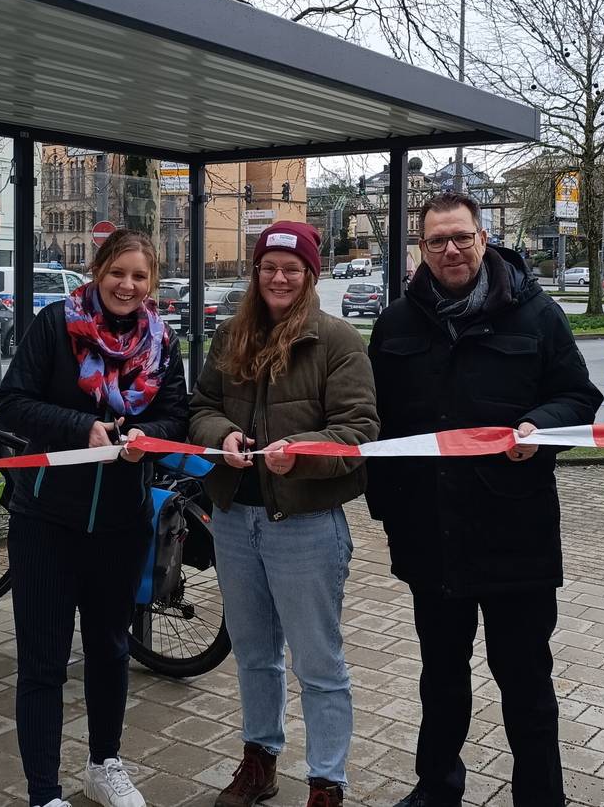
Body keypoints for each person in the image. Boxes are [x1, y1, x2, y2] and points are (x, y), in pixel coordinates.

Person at [367, 192, 602, 807]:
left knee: (525, 682)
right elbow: (378, 426)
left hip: (514, 535)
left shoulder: (536, 314)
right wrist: (388, 514)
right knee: (440, 679)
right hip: (431, 537)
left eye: (461, 237)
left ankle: (540, 797)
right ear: (421, 248)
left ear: (484, 238)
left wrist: (539, 426)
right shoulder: (396, 323)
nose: (450, 250)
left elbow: (579, 398)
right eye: (437, 240)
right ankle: (436, 789)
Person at [189, 221, 379, 807]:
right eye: (269, 266)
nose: (279, 277)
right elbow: (200, 408)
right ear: (256, 272)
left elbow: (359, 430)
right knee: (253, 654)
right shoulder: (230, 337)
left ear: (310, 276)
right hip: (234, 520)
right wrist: (221, 435)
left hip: (305, 526)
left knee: (318, 660)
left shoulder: (338, 341)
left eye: (291, 269)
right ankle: (260, 761)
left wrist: (302, 455)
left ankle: (327, 779)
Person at [0, 230, 189, 807]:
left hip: (121, 521)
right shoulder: (56, 324)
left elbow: (176, 415)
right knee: (43, 661)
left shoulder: (162, 342)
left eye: (139, 276)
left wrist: (142, 435)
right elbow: (14, 401)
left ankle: (105, 764)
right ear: (96, 270)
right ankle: (43, 792)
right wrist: (79, 428)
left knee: (109, 649)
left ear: (151, 283)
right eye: (117, 273)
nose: (127, 286)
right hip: (46, 519)